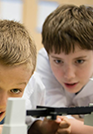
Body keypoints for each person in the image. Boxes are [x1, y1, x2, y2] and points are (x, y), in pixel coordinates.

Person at [36, 4, 93, 133]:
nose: (69, 75)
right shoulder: (44, 59)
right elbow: (56, 120)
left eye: (79, 61)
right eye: (58, 61)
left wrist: (74, 124)